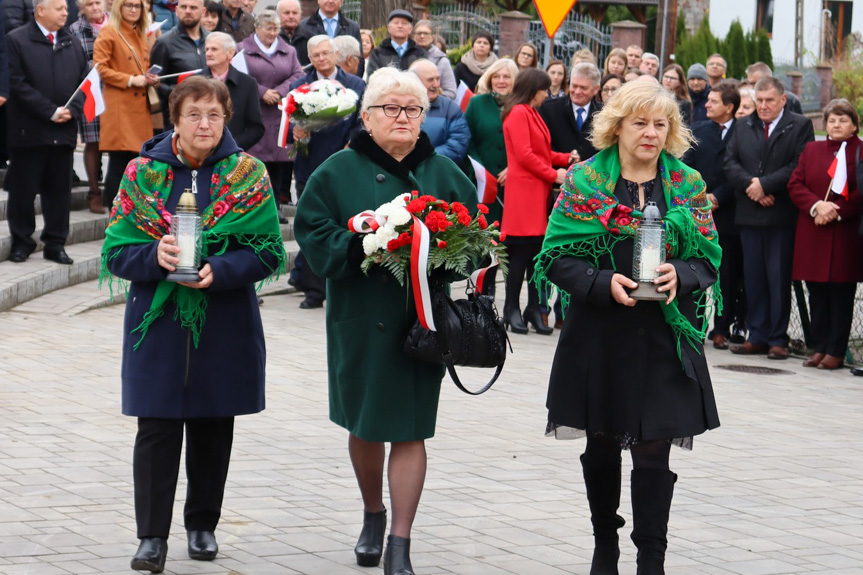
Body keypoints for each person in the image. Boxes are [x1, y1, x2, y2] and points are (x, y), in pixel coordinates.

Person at [293, 67, 477, 575]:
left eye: (413, 110)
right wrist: (362, 246)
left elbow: (478, 234)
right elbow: (312, 232)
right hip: (359, 318)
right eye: (391, 109)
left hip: (422, 324)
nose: (402, 118)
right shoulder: (336, 170)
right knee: (367, 424)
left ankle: (400, 541)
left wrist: (447, 253)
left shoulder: (444, 172)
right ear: (368, 116)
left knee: (411, 428)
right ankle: (373, 512)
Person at [535, 80, 721, 575]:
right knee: (601, 446)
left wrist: (680, 274)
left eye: (661, 124)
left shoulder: (688, 185)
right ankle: (605, 546)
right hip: (599, 336)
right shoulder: (584, 183)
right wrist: (600, 281)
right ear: (616, 126)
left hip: (665, 337)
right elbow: (555, 258)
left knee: (653, 451)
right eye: (640, 122)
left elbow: (708, 259)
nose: (651, 133)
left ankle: (652, 559)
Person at [100, 76, 285, 574]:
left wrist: (220, 271)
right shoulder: (142, 174)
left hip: (223, 320)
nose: (205, 125)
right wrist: (153, 256)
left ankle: (202, 526)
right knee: (156, 428)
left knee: (213, 424)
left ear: (227, 118)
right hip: (156, 325)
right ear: (175, 121)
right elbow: (115, 251)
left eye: (215, 115)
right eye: (194, 115)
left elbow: (269, 251)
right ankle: (151, 537)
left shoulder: (248, 173)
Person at [724, 76, 814, 359]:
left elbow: (799, 164)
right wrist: (754, 186)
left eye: (769, 101)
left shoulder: (799, 125)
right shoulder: (742, 124)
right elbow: (730, 162)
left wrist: (766, 185)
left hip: (780, 216)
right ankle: (758, 335)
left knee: (777, 279)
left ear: (783, 100)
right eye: (759, 101)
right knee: (754, 279)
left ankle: (777, 338)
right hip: (749, 214)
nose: (762, 106)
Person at [6, 0, 88, 265]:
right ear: (40, 10)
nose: (66, 12)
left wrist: (71, 110)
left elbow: (84, 81)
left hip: (62, 131)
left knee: (59, 191)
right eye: (59, 8)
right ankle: (22, 242)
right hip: (28, 131)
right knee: (22, 191)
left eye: (66, 8)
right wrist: (50, 111)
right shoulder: (16, 40)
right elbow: (17, 83)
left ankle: (55, 243)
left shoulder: (71, 42)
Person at [287, 33, 364, 310]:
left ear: (334, 54)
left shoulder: (355, 85)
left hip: (346, 164)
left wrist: (350, 145)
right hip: (311, 166)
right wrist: (297, 133)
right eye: (315, 55)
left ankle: (341, 283)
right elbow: (288, 129)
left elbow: (363, 123)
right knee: (312, 225)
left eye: (325, 53)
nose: (321, 59)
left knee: (344, 223)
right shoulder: (298, 87)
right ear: (309, 58)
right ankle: (313, 290)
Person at [788, 99, 863, 370]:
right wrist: (816, 206)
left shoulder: (860, 150)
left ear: (854, 124)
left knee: (841, 294)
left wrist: (837, 210)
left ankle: (836, 351)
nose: (836, 125)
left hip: (844, 233)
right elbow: (795, 183)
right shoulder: (812, 149)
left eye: (843, 120)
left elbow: (861, 191)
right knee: (816, 292)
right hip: (814, 229)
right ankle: (819, 347)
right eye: (832, 120)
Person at [501, 68, 572, 335]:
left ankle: (532, 307)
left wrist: (564, 158)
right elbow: (524, 155)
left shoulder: (530, 111)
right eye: (545, 90)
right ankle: (511, 308)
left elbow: (540, 151)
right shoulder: (519, 112)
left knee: (535, 255)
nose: (547, 94)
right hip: (524, 194)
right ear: (534, 89)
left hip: (535, 192)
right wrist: (555, 175)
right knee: (520, 254)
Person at [684, 83, 746, 349]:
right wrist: (701, 197)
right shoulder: (698, 131)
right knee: (695, 271)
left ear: (729, 107)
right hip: (698, 213)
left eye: (713, 101)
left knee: (728, 276)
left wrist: (719, 196)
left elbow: (743, 169)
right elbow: (686, 168)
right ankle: (694, 325)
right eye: (707, 100)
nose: (706, 104)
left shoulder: (745, 133)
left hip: (730, 214)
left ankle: (721, 328)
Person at [93, 0, 159, 210]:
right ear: (118, 8)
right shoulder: (109, 32)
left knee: (137, 162)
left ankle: (130, 213)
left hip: (139, 106)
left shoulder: (140, 33)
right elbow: (99, 68)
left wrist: (149, 78)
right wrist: (130, 80)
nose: (133, 9)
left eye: (137, 6)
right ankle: (114, 214)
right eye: (128, 5)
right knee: (119, 162)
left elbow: (142, 65)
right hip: (119, 105)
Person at [240, 8, 303, 222]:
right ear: (257, 28)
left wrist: (281, 91)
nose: (273, 33)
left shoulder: (289, 50)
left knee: (278, 161)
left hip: (279, 114)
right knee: (257, 162)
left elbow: (298, 74)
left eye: (276, 28)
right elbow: (237, 75)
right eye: (269, 28)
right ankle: (255, 208)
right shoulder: (243, 49)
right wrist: (261, 91)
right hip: (254, 112)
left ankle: (275, 207)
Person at [464, 57, 518, 300]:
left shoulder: (521, 106)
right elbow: (468, 139)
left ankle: (504, 298)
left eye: (506, 76)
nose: (502, 81)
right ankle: (480, 293)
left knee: (505, 243)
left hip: (512, 184)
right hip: (484, 183)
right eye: (497, 76)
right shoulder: (477, 103)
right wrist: (480, 169)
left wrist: (514, 168)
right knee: (483, 238)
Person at [70, 0, 109, 214]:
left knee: (115, 142)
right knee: (93, 142)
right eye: (89, 4)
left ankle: (113, 190)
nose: (95, 7)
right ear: (81, 8)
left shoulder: (115, 24)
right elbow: (74, 61)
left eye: (97, 2)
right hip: (90, 90)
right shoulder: (75, 30)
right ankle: (94, 191)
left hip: (116, 89)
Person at [150, 0, 208, 128]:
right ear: (176, 11)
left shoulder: (212, 41)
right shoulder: (164, 43)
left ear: (203, 11)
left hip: (208, 114)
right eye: (183, 7)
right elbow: (156, 83)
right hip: (178, 117)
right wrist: (182, 93)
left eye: (193, 7)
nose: (187, 11)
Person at [203, 31, 263, 151]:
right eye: (207, 49)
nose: (208, 53)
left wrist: (232, 147)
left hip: (233, 154)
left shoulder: (247, 83)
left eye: (214, 49)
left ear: (230, 53)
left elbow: (256, 128)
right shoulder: (195, 82)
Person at [539, 62, 602, 168]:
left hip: (592, 179)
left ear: (596, 89)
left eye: (583, 88)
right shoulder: (549, 109)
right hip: (557, 178)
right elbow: (542, 148)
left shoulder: (604, 114)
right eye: (574, 86)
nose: (577, 91)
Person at [410, 58, 469, 164]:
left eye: (438, 79)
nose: (436, 84)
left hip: (436, 173)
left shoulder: (451, 109)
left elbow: (458, 144)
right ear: (415, 81)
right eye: (430, 80)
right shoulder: (399, 106)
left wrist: (426, 156)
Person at [294, 0, 363, 76]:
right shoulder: (303, 27)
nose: (330, 1)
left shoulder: (352, 27)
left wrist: (353, 82)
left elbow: (358, 59)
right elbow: (299, 60)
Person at [365, 9, 426, 77]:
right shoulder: (377, 53)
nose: (400, 26)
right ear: (389, 28)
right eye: (396, 23)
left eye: (404, 23)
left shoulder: (420, 53)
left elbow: (425, 77)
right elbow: (372, 78)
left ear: (410, 29)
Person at [411, 19, 456, 99]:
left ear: (432, 37)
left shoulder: (442, 61)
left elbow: (451, 92)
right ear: (413, 36)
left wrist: (432, 97)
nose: (422, 36)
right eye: (419, 33)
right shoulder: (406, 56)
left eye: (425, 33)